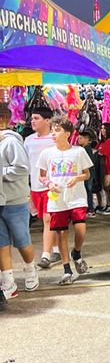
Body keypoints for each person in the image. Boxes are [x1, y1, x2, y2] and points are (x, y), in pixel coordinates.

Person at [37, 117, 93, 285]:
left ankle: (76, 252)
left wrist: (77, 178)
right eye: (52, 130)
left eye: (57, 130)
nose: (53, 133)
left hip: (77, 197)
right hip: (57, 199)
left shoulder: (78, 151)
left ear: (68, 134)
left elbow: (87, 174)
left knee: (80, 228)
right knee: (61, 233)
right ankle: (67, 268)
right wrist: (49, 183)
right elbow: (41, 176)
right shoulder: (47, 153)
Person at [0, 103, 38, 296]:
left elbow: (23, 168)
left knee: (22, 240)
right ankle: (8, 281)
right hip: (0, 201)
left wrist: (2, 172)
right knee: (1, 242)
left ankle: (30, 268)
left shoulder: (11, 142)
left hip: (14, 201)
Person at [24, 107, 60, 269]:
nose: (33, 121)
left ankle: (46, 255)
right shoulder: (29, 140)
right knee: (47, 220)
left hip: (52, 186)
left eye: (36, 118)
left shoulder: (55, 139)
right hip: (35, 186)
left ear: (47, 121)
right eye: (32, 118)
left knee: (48, 219)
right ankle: (57, 249)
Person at [76, 130, 101, 217]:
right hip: (87, 174)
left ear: (87, 139)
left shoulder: (86, 149)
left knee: (88, 191)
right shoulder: (84, 149)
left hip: (88, 174)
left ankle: (90, 209)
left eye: (81, 138)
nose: (78, 140)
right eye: (78, 138)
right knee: (87, 191)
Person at [97, 122, 110, 212]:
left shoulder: (109, 141)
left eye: (104, 128)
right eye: (102, 128)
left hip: (108, 167)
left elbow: (102, 152)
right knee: (105, 187)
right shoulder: (102, 142)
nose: (102, 130)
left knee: (108, 187)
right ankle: (108, 204)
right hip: (103, 167)